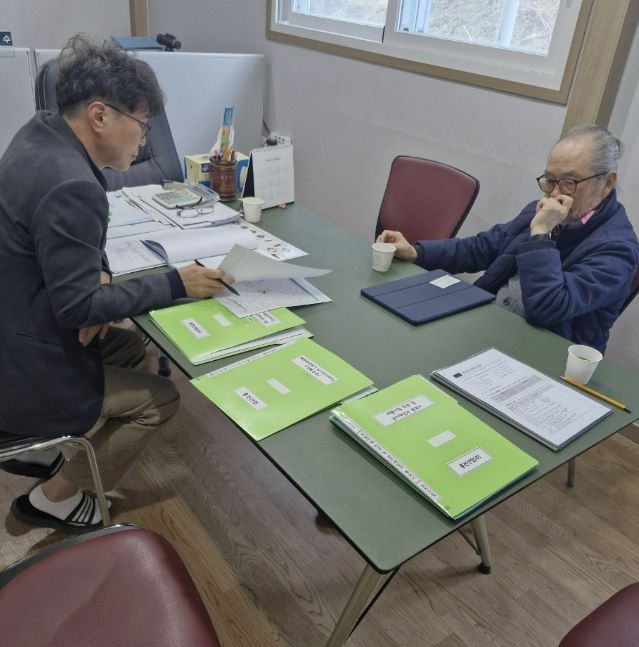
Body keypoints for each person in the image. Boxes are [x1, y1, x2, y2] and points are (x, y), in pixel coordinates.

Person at [0, 35, 234, 530]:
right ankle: (55, 500)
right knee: (160, 400)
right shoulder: (71, 184)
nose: (145, 141)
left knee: (127, 346)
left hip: (16, 320)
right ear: (100, 115)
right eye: (142, 125)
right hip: (23, 367)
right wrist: (177, 283)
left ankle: (52, 451)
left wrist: (100, 272)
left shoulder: (40, 135)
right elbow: (78, 308)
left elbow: (70, 241)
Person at [378, 125, 639, 354]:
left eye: (569, 182)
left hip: (545, 355)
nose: (554, 193)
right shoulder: (542, 211)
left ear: (607, 183)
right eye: (550, 180)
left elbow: (547, 308)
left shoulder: (617, 249)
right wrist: (417, 252)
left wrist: (541, 234)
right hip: (489, 322)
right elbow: (484, 247)